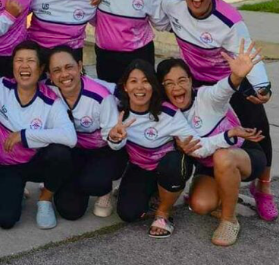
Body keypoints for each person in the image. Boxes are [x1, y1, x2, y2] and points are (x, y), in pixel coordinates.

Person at [156, 0, 276, 221]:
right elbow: (153, 13)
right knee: (193, 131)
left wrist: (263, 88)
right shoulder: (172, 4)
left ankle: (263, 189)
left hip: (232, 79)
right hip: (197, 81)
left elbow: (248, 55)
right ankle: (201, 182)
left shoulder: (229, 20)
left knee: (258, 131)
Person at [109, 60, 259, 238]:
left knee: (187, 160)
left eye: (146, 81)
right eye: (133, 81)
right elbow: (112, 142)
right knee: (129, 214)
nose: (140, 87)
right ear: (125, 86)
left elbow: (199, 146)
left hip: (234, 155)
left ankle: (167, 214)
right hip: (146, 167)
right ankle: (156, 193)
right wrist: (115, 138)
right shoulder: (117, 110)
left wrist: (237, 77)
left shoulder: (173, 112)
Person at [157, 42, 266, 246]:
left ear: (191, 81)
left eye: (182, 80)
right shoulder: (169, 114)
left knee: (222, 156)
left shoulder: (207, 97)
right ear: (162, 88)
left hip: (243, 153)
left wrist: (237, 76)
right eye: (169, 83)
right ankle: (228, 194)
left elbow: (223, 89)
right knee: (200, 205)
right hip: (209, 166)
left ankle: (229, 220)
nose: (177, 87)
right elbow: (198, 150)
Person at [0, 41, 77, 230]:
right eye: (19, 60)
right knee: (6, 220)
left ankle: (45, 200)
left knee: (60, 153)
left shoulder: (51, 100)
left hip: (36, 162)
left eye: (31, 61)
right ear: (13, 65)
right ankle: (14, 191)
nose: (24, 66)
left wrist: (24, 135)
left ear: (41, 68)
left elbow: (70, 137)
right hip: (6, 164)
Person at [45, 46, 127, 220]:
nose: (64, 75)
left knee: (93, 183)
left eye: (69, 67)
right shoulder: (47, 91)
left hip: (101, 150)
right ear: (50, 75)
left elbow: (113, 138)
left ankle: (104, 191)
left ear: (80, 65)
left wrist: (115, 138)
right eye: (57, 70)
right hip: (71, 151)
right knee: (70, 211)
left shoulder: (101, 96)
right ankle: (69, 180)